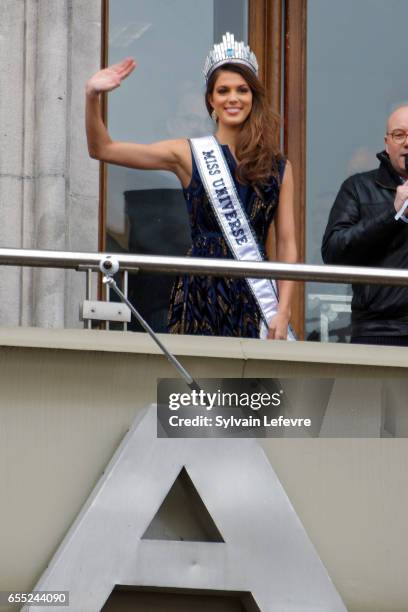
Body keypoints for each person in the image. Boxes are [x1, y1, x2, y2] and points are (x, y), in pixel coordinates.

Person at [86, 33, 297, 340]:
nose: (233, 98)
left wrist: (285, 308)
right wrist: (92, 95)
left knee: (257, 387)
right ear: (211, 100)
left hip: (256, 296)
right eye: (223, 91)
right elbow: (102, 149)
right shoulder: (187, 154)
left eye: (242, 90)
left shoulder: (278, 167)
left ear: (254, 96)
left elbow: (287, 244)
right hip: (200, 292)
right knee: (199, 385)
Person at [321, 105, 408, 346]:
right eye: (399, 135)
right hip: (378, 330)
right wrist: (394, 212)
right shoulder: (358, 188)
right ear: (387, 142)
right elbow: (334, 252)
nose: (407, 143)